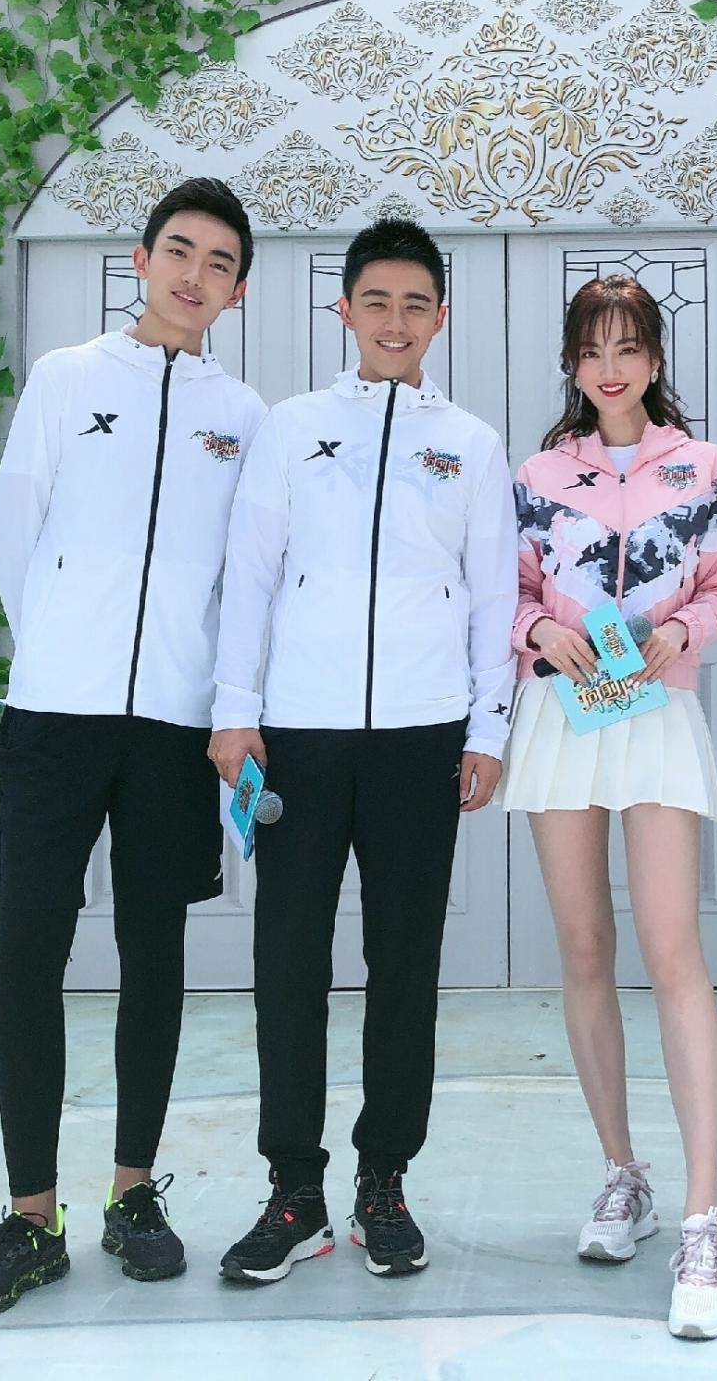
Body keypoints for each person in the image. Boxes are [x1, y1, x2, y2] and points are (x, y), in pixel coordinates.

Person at [0, 178, 266, 1319]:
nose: (193, 274)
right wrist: (57, 650)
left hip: (174, 724)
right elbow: (14, 521)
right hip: (55, 713)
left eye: (218, 262)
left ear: (237, 290)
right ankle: (31, 1216)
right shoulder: (68, 378)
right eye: (178, 250)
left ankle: (134, 1194)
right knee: (29, 948)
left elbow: (244, 578)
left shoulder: (246, 417)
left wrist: (223, 700)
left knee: (152, 953)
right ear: (140, 259)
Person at [208, 218, 515, 1284]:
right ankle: (293, 1188)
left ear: (440, 318)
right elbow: (250, 573)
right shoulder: (292, 428)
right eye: (375, 301)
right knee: (287, 960)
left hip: (422, 738)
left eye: (414, 304)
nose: (394, 320)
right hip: (299, 733)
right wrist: (235, 710)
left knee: (404, 963)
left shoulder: (471, 443)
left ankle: (384, 1177)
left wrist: (487, 728)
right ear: (343, 310)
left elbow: (492, 595)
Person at [504, 274, 717, 1340]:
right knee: (583, 945)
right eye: (591, 350)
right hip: (563, 713)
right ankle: (623, 1175)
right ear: (572, 363)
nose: (610, 368)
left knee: (671, 948)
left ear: (654, 358)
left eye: (628, 347)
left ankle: (703, 1217)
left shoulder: (705, 467)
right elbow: (510, 588)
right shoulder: (535, 475)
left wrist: (685, 630)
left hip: (655, 711)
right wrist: (537, 633)